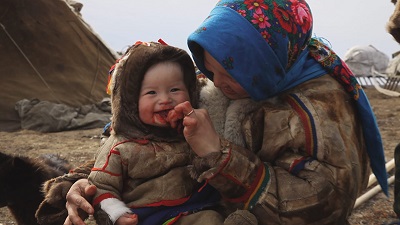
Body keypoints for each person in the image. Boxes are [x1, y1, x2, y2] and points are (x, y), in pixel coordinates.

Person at [40, 0, 389, 224]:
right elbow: (144, 143)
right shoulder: (220, 83)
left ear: (259, 63)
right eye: (207, 69)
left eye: (227, 72)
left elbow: (325, 206)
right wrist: (82, 183)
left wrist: (218, 156)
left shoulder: (319, 110)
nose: (213, 83)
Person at [87, 40, 230, 225]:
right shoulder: (120, 146)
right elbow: (100, 185)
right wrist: (117, 214)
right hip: (147, 217)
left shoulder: (193, 132)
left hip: (197, 207)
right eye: (151, 93)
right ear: (130, 101)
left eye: (175, 89)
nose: (165, 99)